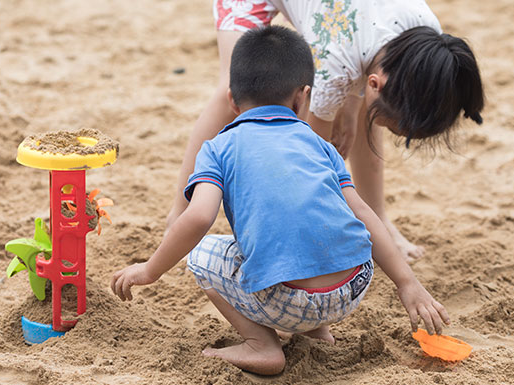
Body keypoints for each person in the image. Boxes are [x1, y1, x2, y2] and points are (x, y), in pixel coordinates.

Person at [112, 26, 450, 376]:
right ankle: (317, 331)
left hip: (287, 300)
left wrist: (149, 270)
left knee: (203, 255)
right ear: (302, 98)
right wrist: (406, 283)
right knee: (317, 230)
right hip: (352, 288)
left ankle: (261, 345)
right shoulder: (320, 145)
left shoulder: (217, 147)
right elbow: (363, 213)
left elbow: (198, 219)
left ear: (232, 100)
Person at [167, 0, 484, 263]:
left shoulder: (426, 42)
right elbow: (308, 156)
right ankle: (178, 219)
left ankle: (378, 218)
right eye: (395, 127)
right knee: (234, 89)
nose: (397, 135)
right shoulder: (336, 63)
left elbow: (363, 79)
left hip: (342, 22)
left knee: (365, 111)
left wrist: (352, 102)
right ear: (373, 84)